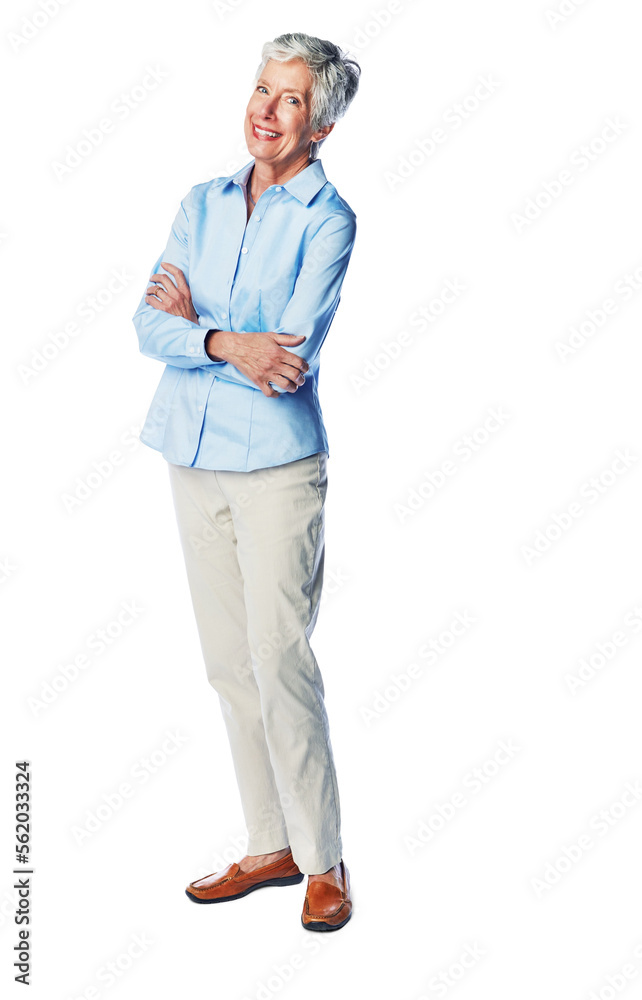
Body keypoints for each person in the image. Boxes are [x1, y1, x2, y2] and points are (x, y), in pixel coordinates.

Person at [131, 32, 360, 931]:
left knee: (281, 661)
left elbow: (290, 360)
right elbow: (150, 325)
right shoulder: (201, 202)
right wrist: (229, 340)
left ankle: (324, 858)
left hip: (275, 468)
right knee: (229, 666)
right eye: (262, 88)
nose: (266, 109)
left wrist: (206, 336)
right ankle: (268, 843)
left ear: (322, 124)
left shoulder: (328, 220)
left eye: (291, 99)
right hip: (191, 454)